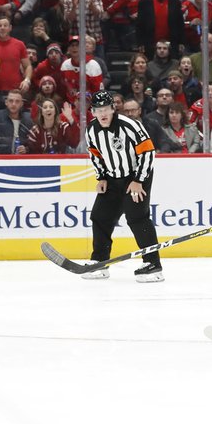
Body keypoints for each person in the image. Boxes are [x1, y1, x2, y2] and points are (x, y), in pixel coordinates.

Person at [83, 90, 163, 283]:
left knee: (137, 217)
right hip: (111, 179)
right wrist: (101, 177)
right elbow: (95, 154)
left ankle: (153, 265)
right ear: (92, 111)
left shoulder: (130, 126)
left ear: (113, 108)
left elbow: (148, 152)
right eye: (97, 110)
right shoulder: (91, 130)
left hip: (135, 177)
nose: (102, 113)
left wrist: (138, 181)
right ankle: (100, 262)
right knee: (100, 216)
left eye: (105, 109)